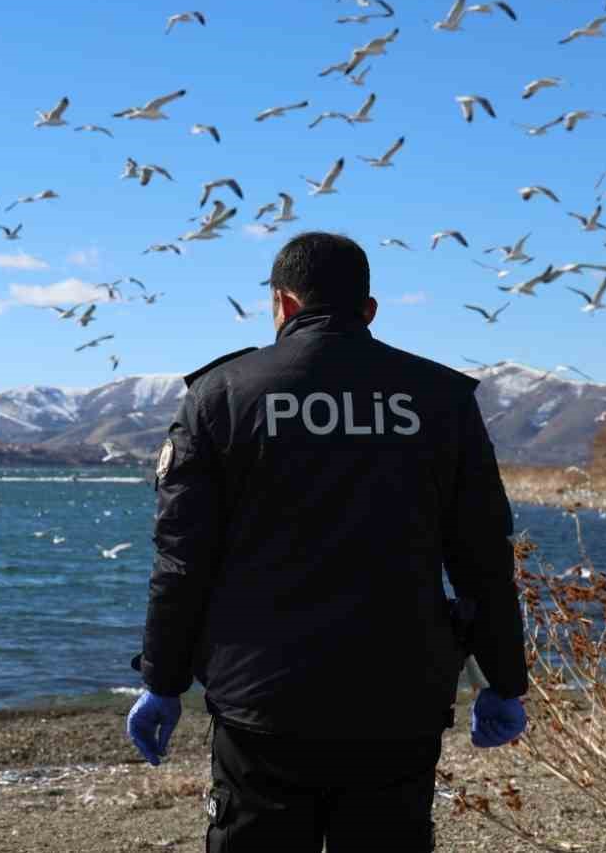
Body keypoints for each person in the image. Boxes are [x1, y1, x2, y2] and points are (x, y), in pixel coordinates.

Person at [125, 231, 528, 853]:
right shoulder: (441, 399)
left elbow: (182, 561)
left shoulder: (221, 396)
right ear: (368, 310)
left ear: (282, 304)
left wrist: (163, 680)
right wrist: (503, 678)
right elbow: (482, 558)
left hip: (263, 700)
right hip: (399, 698)